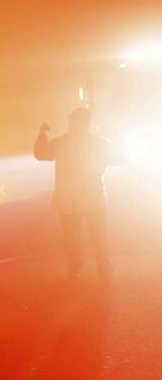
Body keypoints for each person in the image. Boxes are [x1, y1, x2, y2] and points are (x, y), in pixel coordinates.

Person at [33, 107, 120, 280]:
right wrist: (119, 139)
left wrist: (42, 136)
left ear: (81, 122)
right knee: (95, 236)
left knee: (74, 237)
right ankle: (101, 268)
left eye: (74, 119)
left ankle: (78, 266)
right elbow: (119, 158)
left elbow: (41, 154)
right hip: (89, 198)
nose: (72, 122)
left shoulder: (63, 142)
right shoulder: (97, 143)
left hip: (71, 198)